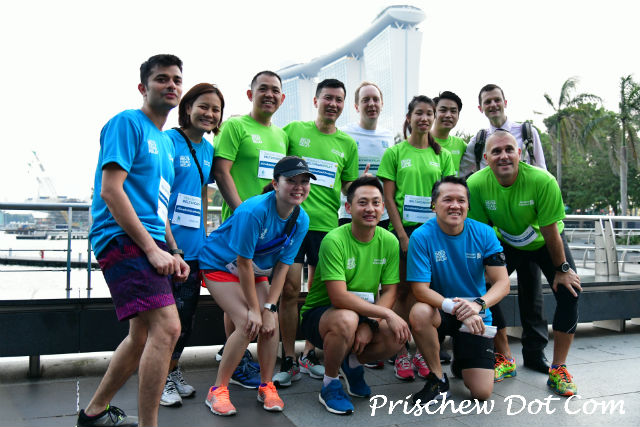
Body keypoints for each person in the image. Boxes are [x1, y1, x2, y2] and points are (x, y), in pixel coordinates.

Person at [79, 54, 189, 427]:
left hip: (150, 242)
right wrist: (151, 249)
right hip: (122, 238)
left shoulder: (167, 144)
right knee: (169, 328)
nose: (171, 85)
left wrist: (173, 250)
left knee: (141, 335)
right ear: (143, 87)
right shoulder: (127, 123)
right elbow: (111, 190)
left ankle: (94, 413)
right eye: (162, 78)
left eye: (176, 79)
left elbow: (159, 206)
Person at [467, 130, 581, 397]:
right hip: (506, 241)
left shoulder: (542, 180)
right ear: (486, 158)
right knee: (485, 288)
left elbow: (550, 230)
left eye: (509, 149)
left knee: (570, 291)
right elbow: (482, 232)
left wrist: (562, 270)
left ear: (519, 154)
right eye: (496, 151)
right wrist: (484, 270)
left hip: (545, 241)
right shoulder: (476, 184)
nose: (504, 156)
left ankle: (559, 368)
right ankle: (504, 357)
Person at [199, 156, 313, 416]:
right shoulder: (254, 211)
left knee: (270, 324)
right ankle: (218, 390)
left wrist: (270, 308)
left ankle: (266, 385)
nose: (299, 187)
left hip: (256, 268)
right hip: (220, 264)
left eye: (304, 182)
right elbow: (242, 262)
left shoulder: (301, 219)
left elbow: (283, 266)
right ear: (275, 184)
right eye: (291, 181)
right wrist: (254, 309)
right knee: (247, 324)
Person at [299, 176, 411, 414]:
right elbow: (339, 297)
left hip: (362, 313)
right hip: (321, 316)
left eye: (376, 203)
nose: (370, 208)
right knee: (347, 318)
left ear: (383, 207)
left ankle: (351, 363)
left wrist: (370, 323)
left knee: (397, 334)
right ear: (348, 208)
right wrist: (384, 315)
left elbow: (390, 291)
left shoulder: (389, 241)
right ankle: (330, 384)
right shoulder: (334, 240)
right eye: (362, 202)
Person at [276, 79, 359, 386]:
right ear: (316, 101)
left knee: (318, 292)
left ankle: (309, 353)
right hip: (292, 222)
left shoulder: (348, 144)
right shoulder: (293, 131)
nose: (333, 104)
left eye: (339, 99)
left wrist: (363, 187)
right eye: (328, 98)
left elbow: (348, 186)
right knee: (288, 290)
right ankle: (288, 357)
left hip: (327, 228)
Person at [212, 70, 288, 388]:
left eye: (275, 90)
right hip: (239, 225)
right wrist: (242, 212)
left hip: (267, 232)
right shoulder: (235, 126)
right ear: (250, 94)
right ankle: (238, 359)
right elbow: (221, 171)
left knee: (258, 293)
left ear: (282, 98)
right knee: (239, 294)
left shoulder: (281, 136)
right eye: (263, 89)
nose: (269, 94)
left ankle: (238, 354)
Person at [406, 176, 510, 403]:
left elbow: (503, 283)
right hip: (441, 310)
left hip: (476, 314)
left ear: (468, 205)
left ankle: (462, 360)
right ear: (433, 205)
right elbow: (420, 290)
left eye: (461, 200)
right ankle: (437, 379)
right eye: (447, 200)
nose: (455, 205)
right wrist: (456, 308)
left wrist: (477, 305)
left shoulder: (484, 233)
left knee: (481, 393)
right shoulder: (421, 236)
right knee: (419, 312)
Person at [377, 95, 454, 381]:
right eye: (419, 113)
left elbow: (447, 196)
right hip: (404, 232)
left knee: (426, 292)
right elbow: (388, 198)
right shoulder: (395, 153)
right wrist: (401, 235)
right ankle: (400, 352)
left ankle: (422, 350)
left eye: (429, 113)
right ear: (409, 117)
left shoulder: (442, 155)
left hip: (433, 233)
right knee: (400, 291)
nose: (424, 118)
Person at [160, 83, 224, 407]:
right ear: (188, 108)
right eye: (203, 106)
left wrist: (204, 235)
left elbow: (200, 193)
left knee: (186, 319)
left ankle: (172, 370)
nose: (209, 114)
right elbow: (158, 197)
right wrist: (171, 246)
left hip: (195, 249)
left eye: (215, 109)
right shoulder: (168, 142)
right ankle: (159, 379)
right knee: (165, 322)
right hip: (167, 249)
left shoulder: (208, 150)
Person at [338, 81, 394, 230]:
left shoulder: (389, 136)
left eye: (376, 99)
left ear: (382, 104)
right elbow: (341, 181)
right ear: (356, 106)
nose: (371, 104)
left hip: (381, 214)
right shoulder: (344, 134)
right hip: (350, 214)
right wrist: (360, 183)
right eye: (365, 100)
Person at [459, 83, 546, 177]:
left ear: (505, 103)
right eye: (487, 102)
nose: (493, 104)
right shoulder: (478, 141)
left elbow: (542, 170)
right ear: (480, 108)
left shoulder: (528, 133)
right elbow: (460, 171)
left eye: (497, 100)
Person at [431, 91, 467, 177]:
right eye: (443, 110)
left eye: (453, 111)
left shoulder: (460, 144)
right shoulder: (418, 141)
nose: (448, 115)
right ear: (433, 113)